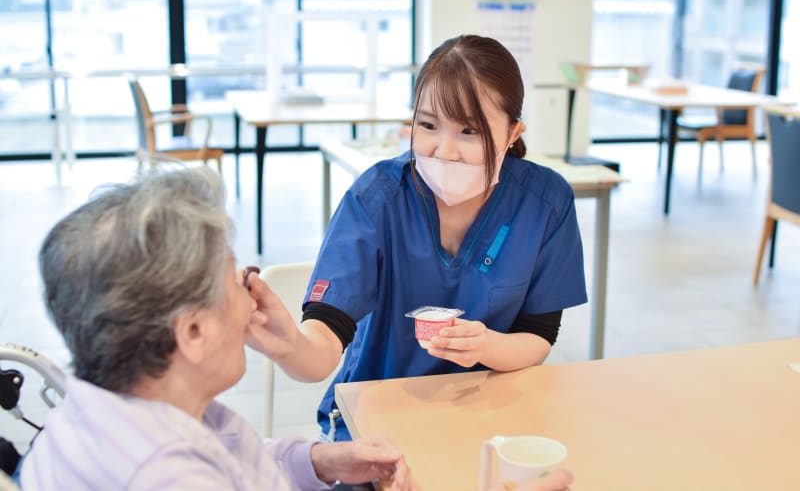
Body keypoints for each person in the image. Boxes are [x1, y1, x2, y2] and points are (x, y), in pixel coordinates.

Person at [248, 34, 587, 442]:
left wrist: (485, 346)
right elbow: (322, 344)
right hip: (377, 426)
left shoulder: (544, 203)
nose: (445, 150)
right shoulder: (376, 200)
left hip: (490, 419)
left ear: (513, 132)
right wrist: (288, 345)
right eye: (428, 125)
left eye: (469, 131)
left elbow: (538, 337)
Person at [20, 166, 411, 490]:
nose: (252, 301)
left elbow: (232, 457)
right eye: (238, 282)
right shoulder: (164, 474)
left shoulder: (129, 405)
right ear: (192, 332)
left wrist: (321, 461)